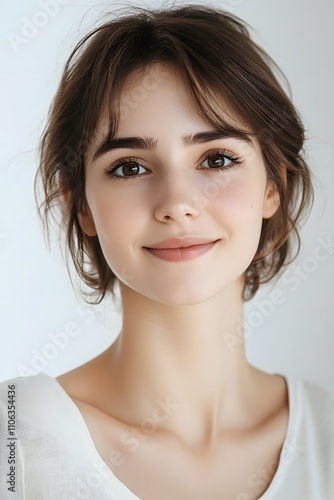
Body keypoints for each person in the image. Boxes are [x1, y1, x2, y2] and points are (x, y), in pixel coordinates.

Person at [1, 3, 333, 499]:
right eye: (130, 167)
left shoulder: (326, 438)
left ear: (274, 187)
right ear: (82, 204)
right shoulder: (14, 439)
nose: (177, 204)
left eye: (217, 158)